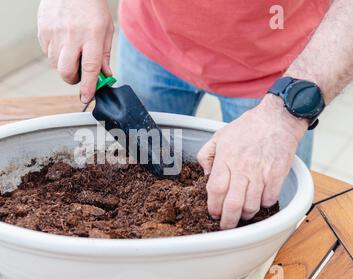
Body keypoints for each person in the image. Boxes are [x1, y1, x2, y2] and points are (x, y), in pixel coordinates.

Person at [37, 0, 353, 229]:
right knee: (144, 164)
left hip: (281, 70)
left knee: (273, 207)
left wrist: (285, 113)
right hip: (152, 40)